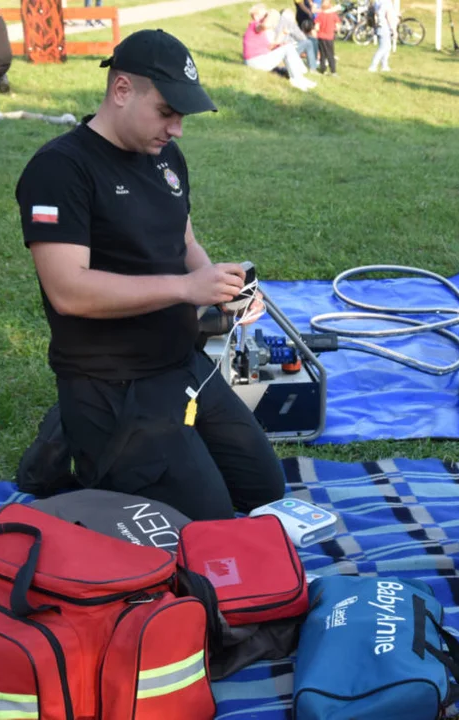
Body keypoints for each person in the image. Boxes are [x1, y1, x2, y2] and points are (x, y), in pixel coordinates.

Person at [14, 29, 287, 522]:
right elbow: (68, 291)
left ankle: (119, 453)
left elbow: (183, 244)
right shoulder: (59, 169)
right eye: (167, 112)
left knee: (266, 491)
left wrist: (221, 287)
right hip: (111, 382)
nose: (177, 128)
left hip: (181, 365)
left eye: (182, 115)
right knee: (208, 524)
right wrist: (186, 289)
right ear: (122, 90)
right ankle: (82, 443)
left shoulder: (165, 158)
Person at [243, 9, 317, 91]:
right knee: (290, 47)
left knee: (288, 47)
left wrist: (282, 36)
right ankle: (298, 78)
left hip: (258, 60)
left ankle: (300, 77)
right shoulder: (255, 25)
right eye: (264, 16)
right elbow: (264, 26)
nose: (264, 18)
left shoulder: (261, 31)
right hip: (255, 62)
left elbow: (270, 46)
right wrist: (271, 17)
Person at [368, 0, 397, 72]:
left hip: (379, 26)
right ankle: (373, 66)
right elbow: (388, 16)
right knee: (383, 48)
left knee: (387, 47)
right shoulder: (387, 3)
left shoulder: (378, 2)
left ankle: (384, 65)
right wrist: (394, 30)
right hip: (385, 27)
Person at [315, 0, 341, 75]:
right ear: (330, 5)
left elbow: (316, 27)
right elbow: (338, 26)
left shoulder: (320, 15)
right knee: (330, 54)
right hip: (329, 37)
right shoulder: (333, 15)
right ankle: (333, 71)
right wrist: (336, 30)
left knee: (322, 54)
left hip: (320, 37)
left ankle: (323, 69)